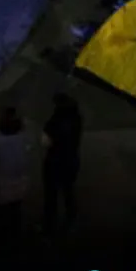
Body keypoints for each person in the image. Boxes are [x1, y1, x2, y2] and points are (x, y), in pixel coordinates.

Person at [0, 107, 32, 245]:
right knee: (15, 212)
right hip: (19, 184)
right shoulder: (24, 139)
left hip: (0, 188)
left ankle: (4, 241)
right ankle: (15, 239)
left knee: (1, 216)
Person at [42, 91, 82, 234]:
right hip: (71, 159)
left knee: (51, 195)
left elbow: (45, 142)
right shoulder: (77, 118)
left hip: (54, 161)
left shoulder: (53, 122)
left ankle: (49, 224)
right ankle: (71, 218)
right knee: (68, 191)